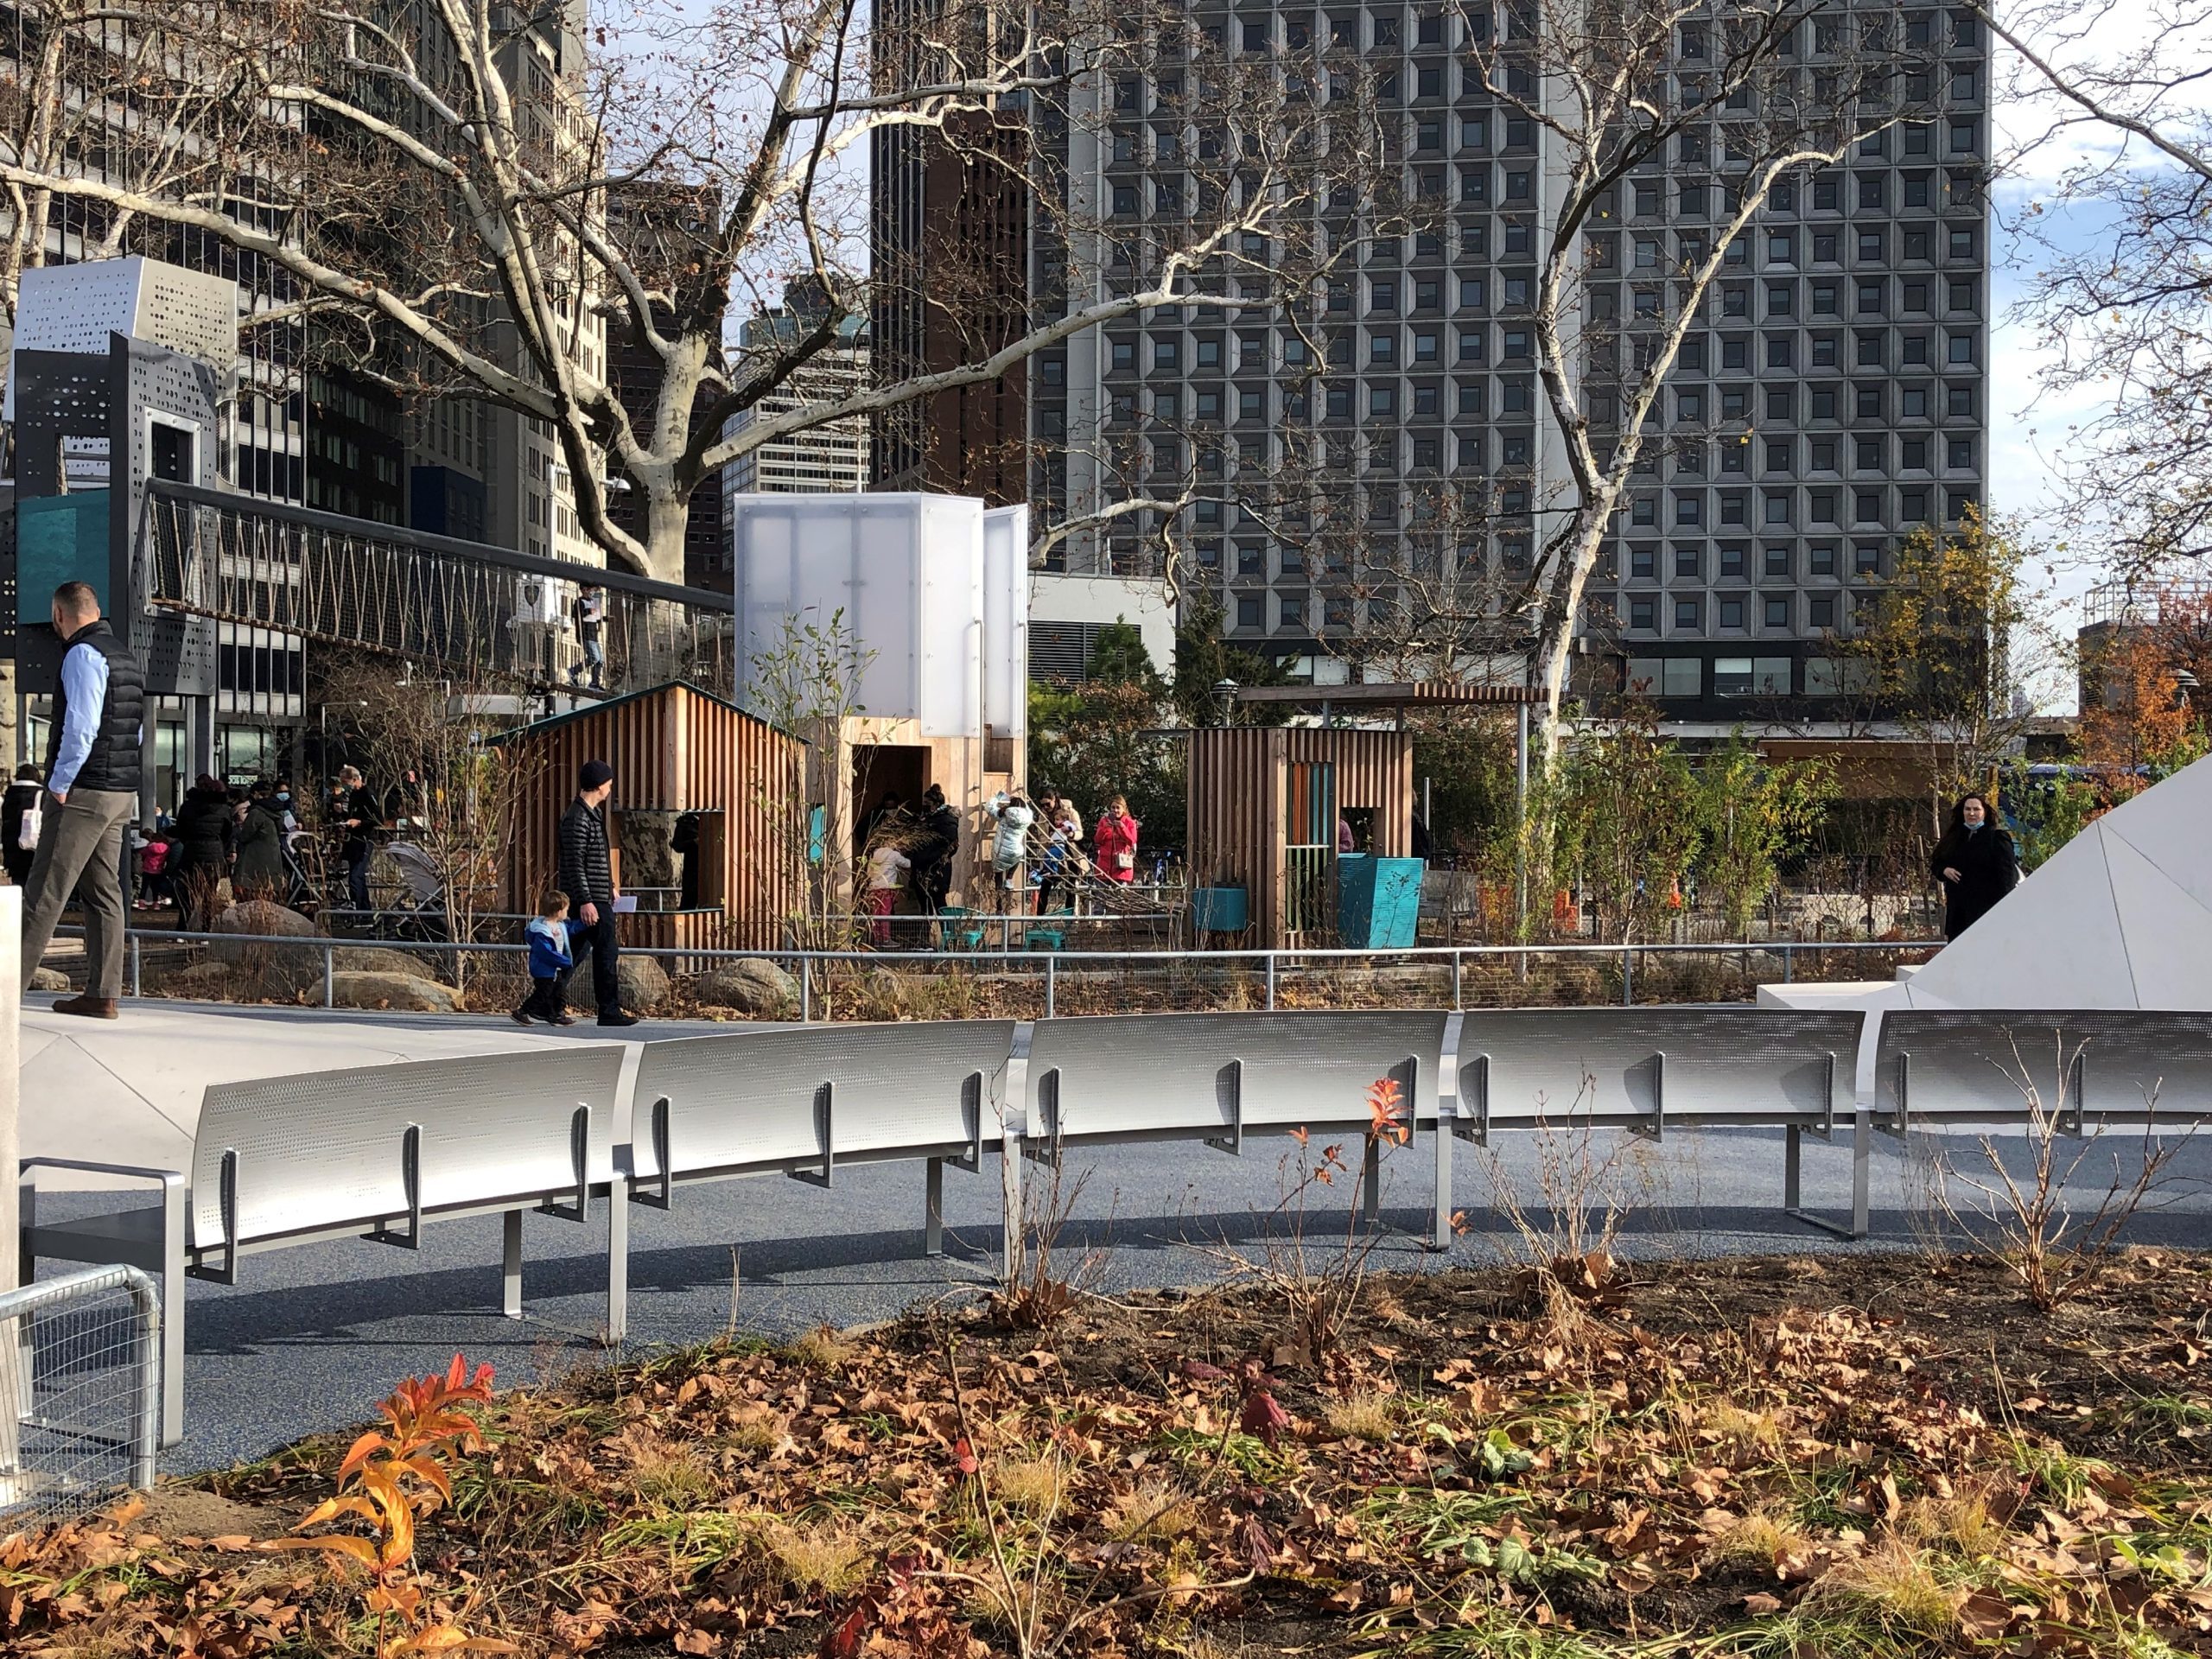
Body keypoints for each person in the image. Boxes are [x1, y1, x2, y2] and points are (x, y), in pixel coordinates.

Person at [17, 582, 145, 1018]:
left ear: (59, 614)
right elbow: (135, 731)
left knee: (44, 890)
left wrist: (60, 782)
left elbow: (82, 728)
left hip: (84, 791)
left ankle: (4, 992)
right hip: (119, 791)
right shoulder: (124, 656)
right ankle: (103, 994)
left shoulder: (81, 654)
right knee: (104, 891)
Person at [558, 758, 637, 1027]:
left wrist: (611, 885)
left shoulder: (592, 815)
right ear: (599, 785)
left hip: (597, 896)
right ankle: (609, 1011)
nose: (611, 788)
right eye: (609, 783)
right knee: (606, 953)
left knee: (574, 954)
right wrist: (586, 900)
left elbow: (598, 857)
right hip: (590, 900)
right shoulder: (577, 818)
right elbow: (575, 861)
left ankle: (543, 1003)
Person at [1931, 791, 2019, 942]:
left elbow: (2007, 878)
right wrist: (1944, 870)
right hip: (1958, 913)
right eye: (1968, 809)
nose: (1972, 813)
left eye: (1976, 809)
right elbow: (1936, 862)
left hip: (1986, 911)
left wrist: (2004, 910)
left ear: (1985, 812)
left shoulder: (1996, 838)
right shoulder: (1953, 838)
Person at [172, 772, 233, 930]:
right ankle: (206, 929)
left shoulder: (188, 806)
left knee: (188, 893)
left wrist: (189, 841)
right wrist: (222, 849)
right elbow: (228, 833)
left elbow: (181, 830)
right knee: (209, 894)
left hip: (192, 852)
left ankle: (183, 928)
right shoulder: (223, 808)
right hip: (214, 853)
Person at [512, 888, 580, 1027]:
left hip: (556, 968)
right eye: (566, 910)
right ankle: (523, 1011)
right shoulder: (541, 929)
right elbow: (544, 952)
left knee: (559, 991)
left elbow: (572, 929)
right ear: (559, 911)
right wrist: (564, 961)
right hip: (544, 969)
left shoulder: (561, 926)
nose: (567, 913)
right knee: (544, 992)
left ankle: (556, 1014)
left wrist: (585, 923)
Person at [334, 764, 378, 919]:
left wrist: (360, 822)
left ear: (354, 780)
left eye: (346, 782)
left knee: (356, 876)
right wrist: (344, 816)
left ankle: (358, 908)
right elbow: (353, 814)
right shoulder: (353, 794)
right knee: (358, 877)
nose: (345, 786)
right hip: (353, 838)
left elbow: (378, 818)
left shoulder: (367, 793)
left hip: (365, 838)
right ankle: (364, 911)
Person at [232, 779, 287, 902]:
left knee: (253, 896)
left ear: (257, 794)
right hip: (273, 859)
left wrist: (237, 831)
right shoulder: (279, 811)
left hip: (254, 862)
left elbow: (245, 835)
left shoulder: (257, 812)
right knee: (268, 896)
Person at [910, 784, 961, 917]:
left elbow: (952, 846)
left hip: (938, 870)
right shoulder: (925, 819)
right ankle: (925, 936)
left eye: (927, 803)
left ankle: (948, 935)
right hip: (921, 869)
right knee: (924, 907)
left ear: (936, 804)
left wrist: (930, 858)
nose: (924, 805)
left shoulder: (946, 821)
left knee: (939, 903)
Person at [985, 790, 1036, 900]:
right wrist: (1023, 801)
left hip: (1001, 852)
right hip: (1016, 851)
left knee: (998, 877)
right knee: (1017, 856)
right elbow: (1029, 810)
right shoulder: (1027, 818)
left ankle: (999, 908)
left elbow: (989, 808)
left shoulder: (1004, 815)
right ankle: (1009, 878)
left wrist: (997, 797)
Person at [863, 831, 912, 947]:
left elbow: (869, 873)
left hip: (874, 888)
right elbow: (907, 864)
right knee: (885, 914)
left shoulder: (874, 855)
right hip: (886, 887)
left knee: (876, 914)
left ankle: (876, 939)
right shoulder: (893, 854)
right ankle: (886, 939)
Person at [3, 763, 44, 887]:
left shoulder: (10, 794)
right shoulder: (40, 793)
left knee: (18, 880)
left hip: (12, 844)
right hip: (33, 843)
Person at [1094, 794, 1141, 885]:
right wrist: (1104, 829)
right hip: (1104, 868)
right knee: (1102, 897)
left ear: (1123, 809)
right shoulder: (1104, 821)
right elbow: (1097, 840)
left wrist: (1122, 827)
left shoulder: (1130, 823)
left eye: (1118, 808)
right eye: (1113, 807)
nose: (1115, 810)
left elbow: (1132, 841)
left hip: (1121, 869)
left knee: (1119, 898)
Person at [570, 583, 607, 690]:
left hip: (594, 635)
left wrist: (605, 618)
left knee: (601, 660)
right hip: (585, 635)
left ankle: (595, 682)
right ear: (584, 590)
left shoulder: (593, 602)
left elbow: (596, 617)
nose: (592, 592)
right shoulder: (579, 602)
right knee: (593, 658)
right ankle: (574, 670)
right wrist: (588, 611)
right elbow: (576, 614)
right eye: (591, 590)